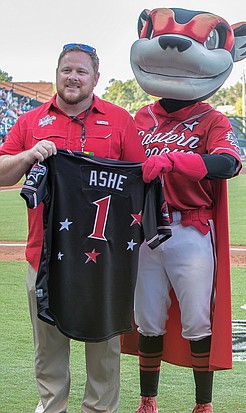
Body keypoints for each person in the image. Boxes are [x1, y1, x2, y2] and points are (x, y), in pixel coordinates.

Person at [119, 8, 246, 413]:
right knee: (147, 318)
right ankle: (148, 401)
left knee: (198, 319)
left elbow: (228, 164)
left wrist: (178, 161)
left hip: (189, 227)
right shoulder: (139, 117)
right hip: (144, 228)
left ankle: (203, 404)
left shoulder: (212, 118)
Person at [0, 43, 146, 413]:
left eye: (81, 71)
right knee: (48, 348)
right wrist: (28, 155)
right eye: (67, 69)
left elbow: (139, 181)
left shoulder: (119, 120)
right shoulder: (30, 122)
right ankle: (52, 407)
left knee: (103, 349)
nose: (73, 77)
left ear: (96, 78)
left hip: (105, 257)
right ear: (56, 73)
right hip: (45, 253)